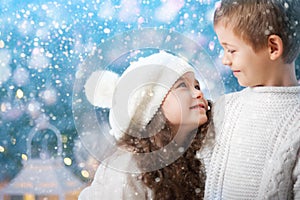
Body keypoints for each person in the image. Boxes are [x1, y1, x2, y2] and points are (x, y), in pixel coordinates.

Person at [79, 51, 212, 200]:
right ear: (149, 105)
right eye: (182, 85)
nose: (198, 94)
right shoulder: (125, 170)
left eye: (197, 86)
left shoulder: (197, 157)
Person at [204, 0, 300, 199]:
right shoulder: (224, 109)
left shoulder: (296, 124)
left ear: (273, 47)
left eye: (231, 50)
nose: (224, 60)